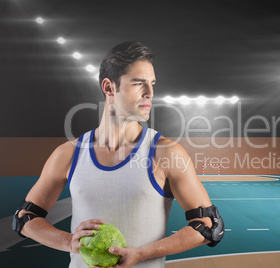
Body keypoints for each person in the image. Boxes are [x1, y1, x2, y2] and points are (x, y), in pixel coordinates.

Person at [12, 41, 224, 268]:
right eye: (138, 83)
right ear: (109, 87)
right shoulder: (68, 154)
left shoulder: (165, 153)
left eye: (152, 84)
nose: (150, 93)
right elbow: (24, 218)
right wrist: (68, 241)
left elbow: (210, 226)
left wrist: (141, 254)